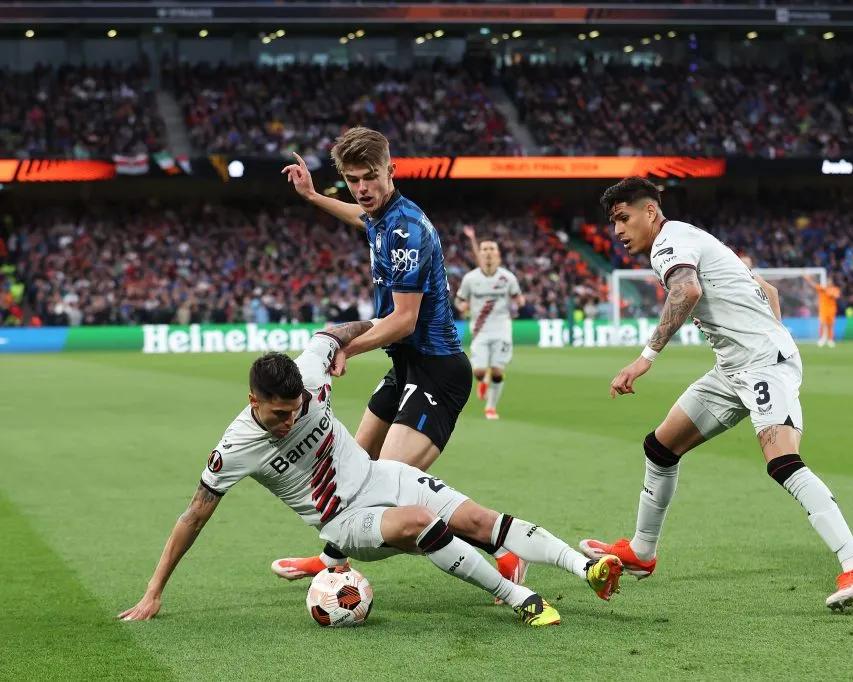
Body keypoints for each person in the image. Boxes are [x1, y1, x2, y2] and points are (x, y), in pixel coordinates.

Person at [117, 326, 624, 626]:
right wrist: (154, 590)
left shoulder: (309, 375)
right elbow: (193, 516)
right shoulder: (235, 448)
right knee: (420, 522)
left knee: (479, 520)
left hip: (382, 476)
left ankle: (587, 570)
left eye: (296, 409)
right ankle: (520, 600)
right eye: (279, 414)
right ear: (254, 401)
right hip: (344, 521)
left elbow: (331, 333)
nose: (290, 420)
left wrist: (351, 344)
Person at [579, 177, 853, 611]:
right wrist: (767, 335)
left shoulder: (670, 242)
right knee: (661, 448)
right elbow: (769, 291)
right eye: (613, 222)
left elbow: (687, 291)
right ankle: (642, 552)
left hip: (761, 366)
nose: (617, 231)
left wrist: (646, 358)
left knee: (782, 461)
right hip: (731, 369)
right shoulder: (691, 238)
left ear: (650, 211)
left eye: (623, 218)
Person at [277, 127, 527, 587]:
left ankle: (501, 546)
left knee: (389, 491)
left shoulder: (406, 230)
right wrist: (312, 196)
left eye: (370, 177)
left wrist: (344, 346)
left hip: (437, 373)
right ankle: (334, 559)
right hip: (406, 368)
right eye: (353, 180)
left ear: (391, 170)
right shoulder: (380, 215)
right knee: (349, 471)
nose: (362, 188)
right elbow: (361, 216)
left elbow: (404, 320)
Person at [457, 225, 525, 420]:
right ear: (479, 254)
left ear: (498, 254)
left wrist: (520, 302)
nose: (488, 252)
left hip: (502, 328)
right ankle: (482, 380)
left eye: (491, 249)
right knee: (478, 371)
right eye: (484, 249)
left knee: (497, 371)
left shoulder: (508, 278)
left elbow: (519, 298)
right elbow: (459, 299)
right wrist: (462, 306)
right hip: (479, 330)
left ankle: (491, 407)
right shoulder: (470, 279)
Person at [805, 274, 840, 348]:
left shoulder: (834, 289)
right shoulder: (822, 289)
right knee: (823, 323)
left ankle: (830, 340)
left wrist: (830, 293)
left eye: (829, 281)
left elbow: (837, 296)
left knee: (830, 324)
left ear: (832, 282)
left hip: (831, 310)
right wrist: (809, 280)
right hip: (823, 309)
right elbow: (813, 285)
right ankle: (823, 338)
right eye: (827, 281)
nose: (828, 282)